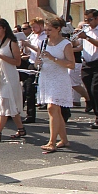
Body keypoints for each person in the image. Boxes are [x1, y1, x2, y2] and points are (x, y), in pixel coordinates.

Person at [35, 17, 74, 152]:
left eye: (50, 30)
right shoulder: (43, 42)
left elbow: (71, 64)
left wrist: (53, 59)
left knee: (52, 108)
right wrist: (38, 63)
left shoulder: (65, 44)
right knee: (55, 110)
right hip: (46, 76)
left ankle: (52, 142)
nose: (47, 32)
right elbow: (36, 61)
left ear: (58, 29)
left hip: (59, 78)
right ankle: (64, 140)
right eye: (45, 29)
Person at [0, 18, 25, 143]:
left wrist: (0, 56)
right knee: (9, 103)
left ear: (4, 29)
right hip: (0, 76)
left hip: (10, 76)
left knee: (4, 103)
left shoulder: (11, 42)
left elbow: (17, 62)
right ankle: (21, 129)